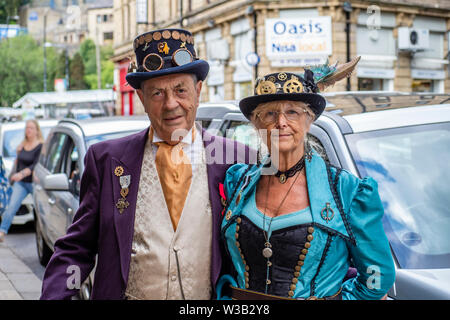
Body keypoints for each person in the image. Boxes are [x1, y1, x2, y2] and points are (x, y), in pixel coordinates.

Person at [40, 28, 255, 300]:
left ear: (198, 91)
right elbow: (77, 248)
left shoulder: (238, 160)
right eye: (157, 94)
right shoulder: (106, 160)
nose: (170, 104)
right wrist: (59, 294)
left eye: (180, 90)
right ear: (141, 98)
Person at [216, 58, 396, 300]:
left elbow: (377, 278)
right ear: (257, 124)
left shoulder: (347, 192)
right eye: (269, 114)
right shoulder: (237, 181)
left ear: (309, 120)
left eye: (292, 112)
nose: (281, 122)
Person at [0, 120, 43, 242]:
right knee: (11, 206)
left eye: (31, 128)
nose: (28, 130)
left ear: (36, 130)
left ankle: (44, 235)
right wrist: (18, 154)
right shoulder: (22, 145)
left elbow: (36, 164)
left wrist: (22, 174)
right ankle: (2, 232)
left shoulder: (40, 146)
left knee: (41, 210)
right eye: (27, 128)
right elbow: (17, 164)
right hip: (21, 184)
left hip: (34, 183)